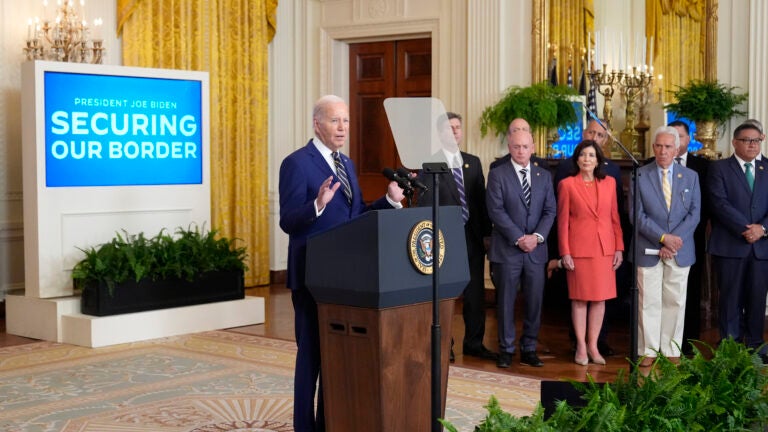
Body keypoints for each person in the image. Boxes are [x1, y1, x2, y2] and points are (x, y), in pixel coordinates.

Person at [278, 95, 406, 431]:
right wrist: (317, 205)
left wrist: (388, 202)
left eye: (346, 121)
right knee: (311, 357)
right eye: (335, 121)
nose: (342, 128)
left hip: (346, 278)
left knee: (336, 357)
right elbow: (288, 221)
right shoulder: (296, 163)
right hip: (311, 277)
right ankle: (303, 426)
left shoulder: (346, 164)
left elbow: (356, 215)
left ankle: (328, 423)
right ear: (317, 123)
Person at [416, 112, 496, 362]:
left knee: (475, 295)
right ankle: (444, 345)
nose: (454, 132)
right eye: (449, 128)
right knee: (445, 296)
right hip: (444, 240)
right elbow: (425, 203)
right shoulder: (430, 164)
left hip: (472, 239)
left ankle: (474, 343)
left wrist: (486, 234)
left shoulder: (472, 162)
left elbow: (481, 203)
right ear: (440, 134)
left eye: (457, 127)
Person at [553, 119, 627, 357]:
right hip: (579, 251)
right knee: (580, 299)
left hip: (605, 250)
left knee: (599, 299)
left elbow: (615, 218)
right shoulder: (567, 185)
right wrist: (564, 252)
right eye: (583, 155)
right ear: (577, 159)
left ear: (598, 160)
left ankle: (594, 346)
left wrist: (619, 248)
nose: (587, 159)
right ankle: (581, 346)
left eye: (592, 156)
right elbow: (562, 221)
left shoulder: (610, 183)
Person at [486, 126, 556, 368]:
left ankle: (529, 347)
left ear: (533, 148)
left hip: (536, 251)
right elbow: (495, 211)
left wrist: (536, 237)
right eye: (516, 146)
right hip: (508, 250)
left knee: (534, 301)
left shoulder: (543, 176)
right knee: (505, 301)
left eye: (525, 146)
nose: (521, 151)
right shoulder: (497, 174)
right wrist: (519, 238)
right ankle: (506, 349)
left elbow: (550, 211)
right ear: (509, 148)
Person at [631, 126, 701, 366]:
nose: (662, 151)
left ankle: (671, 349)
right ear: (653, 148)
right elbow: (636, 215)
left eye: (668, 146)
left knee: (675, 301)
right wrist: (662, 238)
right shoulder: (640, 174)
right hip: (648, 248)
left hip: (680, 250)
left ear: (678, 149)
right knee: (648, 301)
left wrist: (673, 241)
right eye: (658, 146)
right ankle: (648, 351)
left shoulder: (691, 176)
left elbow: (694, 214)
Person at [707, 122, 768, 364]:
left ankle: (755, 347)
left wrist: (762, 229)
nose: (752, 145)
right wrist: (747, 229)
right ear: (734, 142)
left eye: (756, 140)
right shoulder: (719, 168)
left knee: (756, 298)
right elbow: (719, 204)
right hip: (730, 245)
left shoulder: (767, 167)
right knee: (730, 299)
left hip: (761, 248)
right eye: (747, 140)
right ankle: (729, 348)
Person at [666, 120, 709, 354]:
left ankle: (688, 344)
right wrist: (665, 238)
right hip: (659, 244)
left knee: (690, 294)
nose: (675, 141)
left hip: (691, 240)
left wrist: (681, 236)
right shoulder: (651, 166)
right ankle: (663, 344)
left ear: (688, 139)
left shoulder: (702, 167)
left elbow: (703, 208)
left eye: (680, 136)